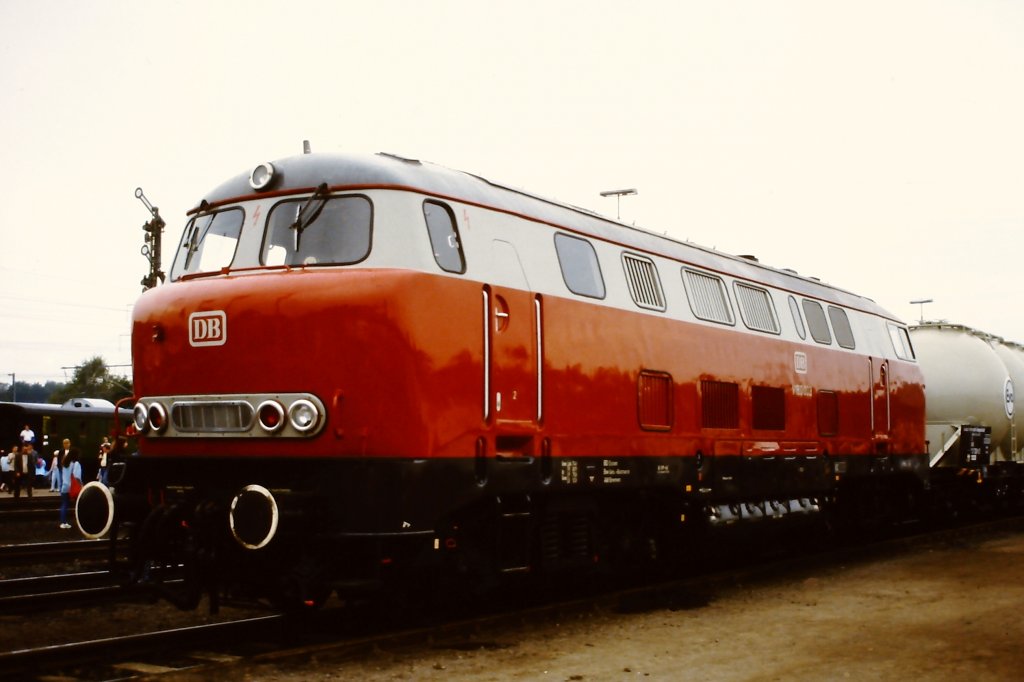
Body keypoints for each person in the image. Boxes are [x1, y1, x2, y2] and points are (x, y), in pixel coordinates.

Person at [59, 446, 82, 529]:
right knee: (78, 506)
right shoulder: (76, 464)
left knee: (64, 505)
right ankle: (80, 522)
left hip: (64, 487)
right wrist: (82, 485)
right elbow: (77, 477)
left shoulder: (64, 463)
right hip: (72, 488)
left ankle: (63, 522)